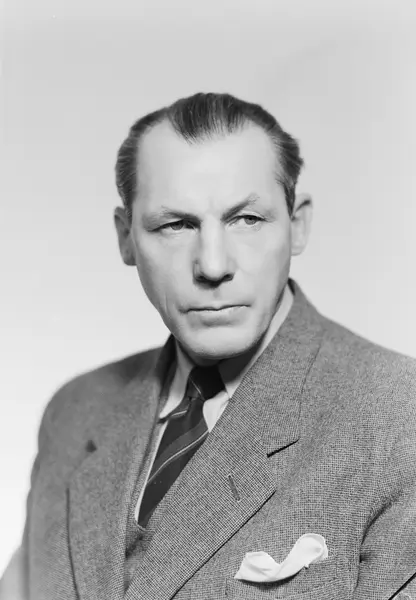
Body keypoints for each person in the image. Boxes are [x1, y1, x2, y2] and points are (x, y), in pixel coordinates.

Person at [1, 92, 415, 600]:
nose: (214, 266)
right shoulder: (74, 412)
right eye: (176, 225)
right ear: (126, 238)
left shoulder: (400, 417)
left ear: (298, 225)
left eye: (247, 220)